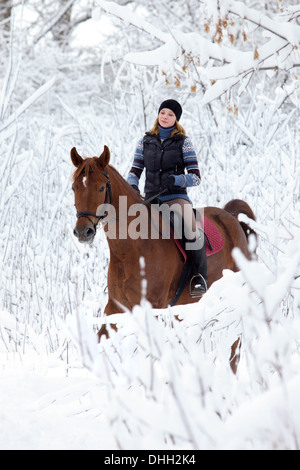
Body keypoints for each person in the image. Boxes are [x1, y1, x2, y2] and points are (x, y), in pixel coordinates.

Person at [127, 99, 208, 296]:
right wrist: (132, 186)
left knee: (190, 230)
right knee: (127, 230)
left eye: (170, 114)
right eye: (163, 112)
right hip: (151, 199)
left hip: (176, 198)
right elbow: (135, 170)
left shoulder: (184, 142)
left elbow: (196, 177)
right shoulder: (145, 141)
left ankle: (200, 278)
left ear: (176, 119)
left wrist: (178, 180)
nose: (165, 117)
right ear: (158, 114)